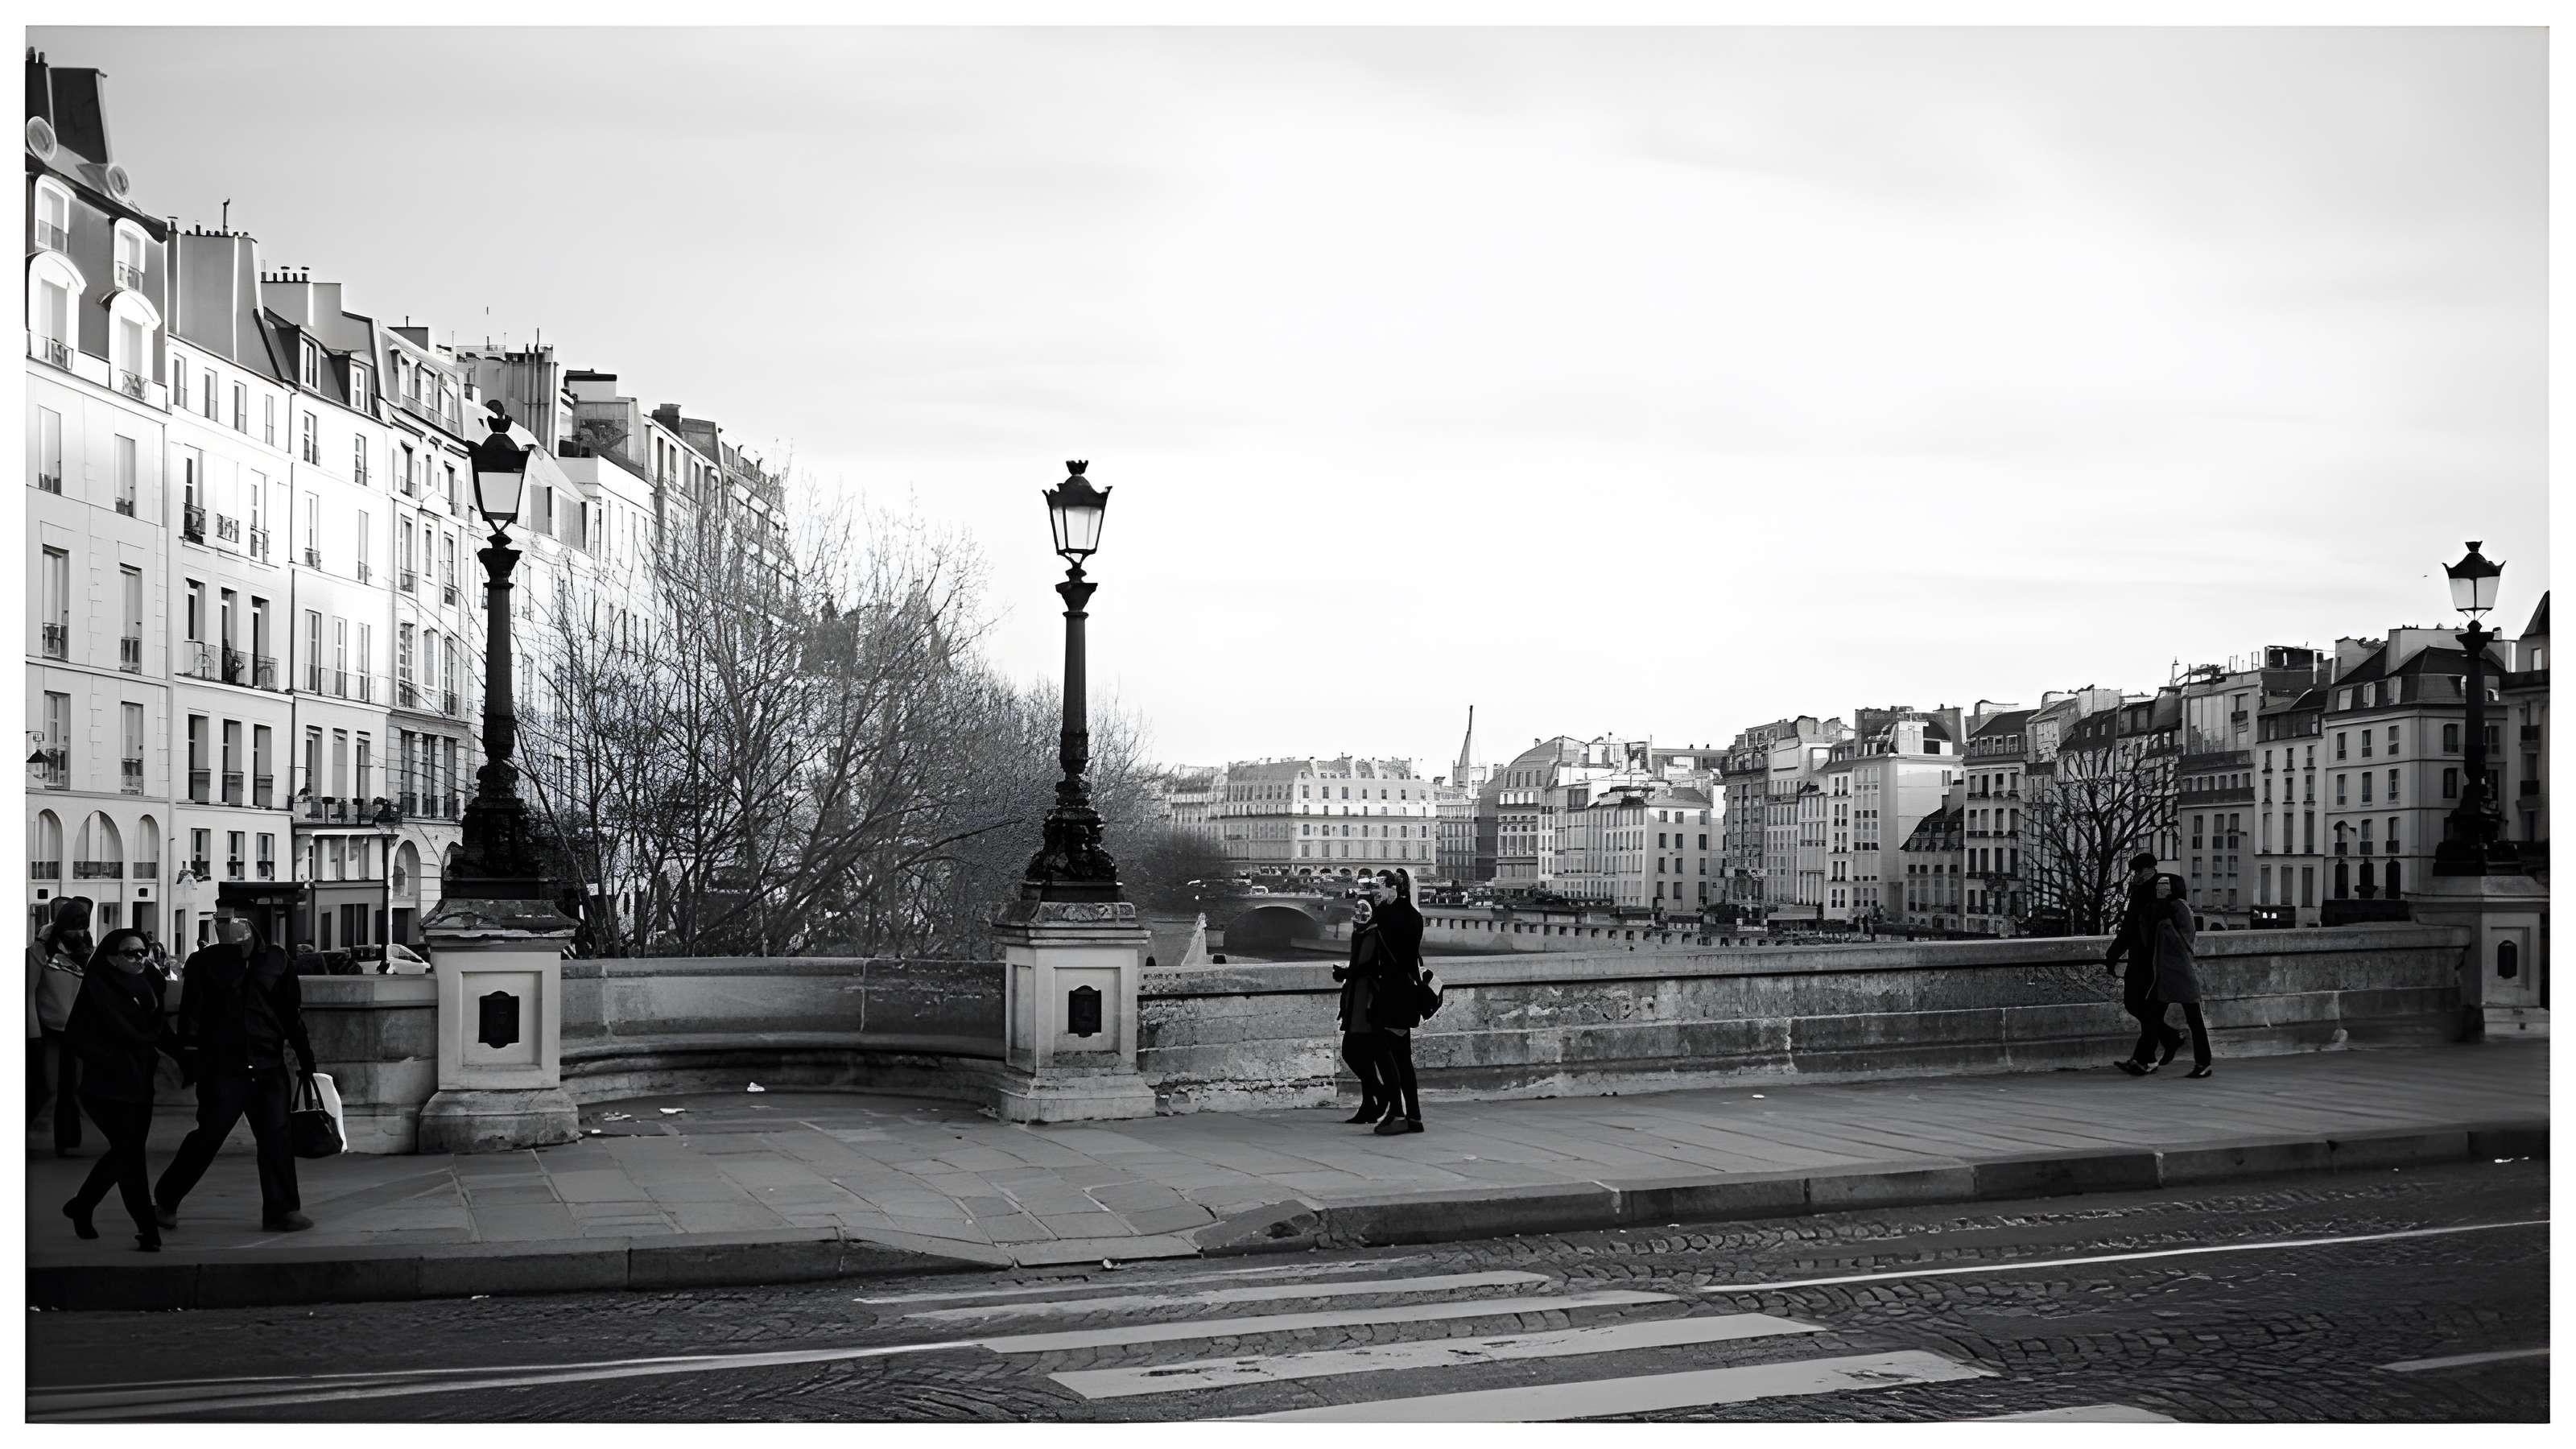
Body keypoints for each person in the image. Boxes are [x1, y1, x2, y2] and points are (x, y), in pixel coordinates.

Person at [154, 912, 316, 1232]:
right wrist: (192, 1057)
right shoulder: (206, 962)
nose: (231, 929)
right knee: (209, 1135)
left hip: (267, 1063)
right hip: (224, 1065)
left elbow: (290, 1012)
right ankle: (167, 1199)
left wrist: (305, 1057)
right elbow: (193, 1012)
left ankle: (282, 1209)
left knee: (276, 1139)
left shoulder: (276, 960)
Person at [62, 929, 187, 1251]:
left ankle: (83, 1205)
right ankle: (147, 1229)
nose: (139, 958)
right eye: (130, 953)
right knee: (129, 1154)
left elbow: (159, 1030)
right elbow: (81, 1037)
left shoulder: (151, 984)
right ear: (111, 958)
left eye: (143, 951)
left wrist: (185, 1058)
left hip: (138, 1083)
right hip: (104, 1087)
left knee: (127, 1154)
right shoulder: (98, 988)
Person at [1364, 867, 1432, 1136]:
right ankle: (1412, 1115)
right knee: (1402, 1056)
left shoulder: (1388, 916)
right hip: (1408, 993)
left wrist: (1374, 905)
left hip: (1394, 994)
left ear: (1394, 889)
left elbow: (1370, 926)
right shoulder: (1414, 917)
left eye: (1382, 887)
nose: (1377, 892)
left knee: (1384, 1051)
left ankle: (1398, 1110)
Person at [27, 897, 93, 1157]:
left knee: (73, 1088)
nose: (78, 933)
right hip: (48, 1031)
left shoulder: (87, 953)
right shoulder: (41, 951)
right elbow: (29, 992)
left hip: (76, 1031)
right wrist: (33, 1032)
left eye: (83, 927)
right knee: (51, 1087)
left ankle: (66, 1140)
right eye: (74, 927)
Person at [2129, 873, 2213, 1078]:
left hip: (2177, 972)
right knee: (2156, 1017)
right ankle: (2145, 1059)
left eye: (2165, 886)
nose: (2161, 890)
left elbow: (2183, 939)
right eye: (2159, 886)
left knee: (2187, 1018)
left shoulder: (2175, 908)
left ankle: (2201, 1062)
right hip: (2169, 972)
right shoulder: (2167, 908)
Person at [2102, 852, 2170, 1075]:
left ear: (2149, 869)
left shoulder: (2143, 893)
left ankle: (2146, 1057)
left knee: (2136, 1003)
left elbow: (2129, 928)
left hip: (2143, 959)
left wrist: (2112, 955)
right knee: (2144, 1006)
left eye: (2138, 871)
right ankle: (2165, 1041)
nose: (2136, 876)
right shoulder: (2164, 891)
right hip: (2155, 958)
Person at [1331, 895, 1388, 1124]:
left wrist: (1345, 974)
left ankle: (1379, 1094)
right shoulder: (1369, 933)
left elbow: (1364, 967)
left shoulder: (1372, 935)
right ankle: (1369, 1104)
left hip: (1366, 1003)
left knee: (1353, 1052)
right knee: (1363, 1055)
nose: (1358, 917)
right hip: (1360, 1000)